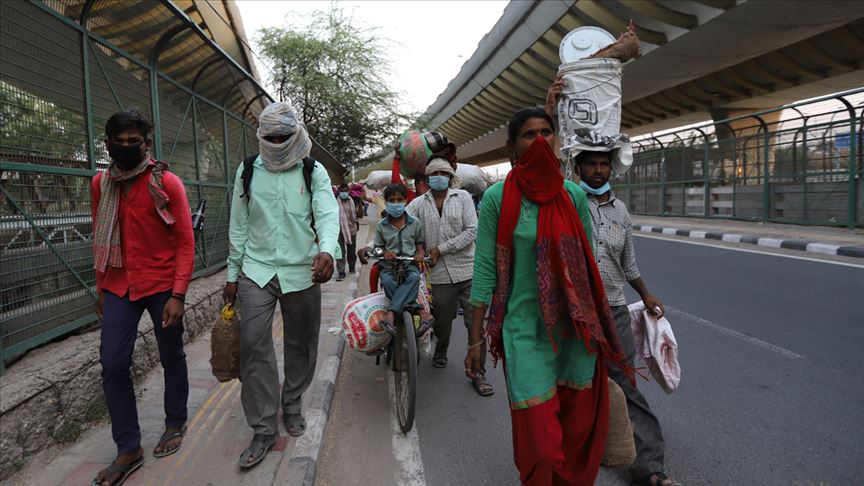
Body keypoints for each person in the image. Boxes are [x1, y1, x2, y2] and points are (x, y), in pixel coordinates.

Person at [465, 107, 632, 485]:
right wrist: (475, 339)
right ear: (513, 147)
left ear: (556, 141)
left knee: (575, 436)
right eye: (529, 135)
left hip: (574, 334)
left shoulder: (573, 196)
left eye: (546, 133)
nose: (539, 141)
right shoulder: (495, 199)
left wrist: (603, 330)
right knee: (540, 446)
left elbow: (587, 267)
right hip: (523, 334)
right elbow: (484, 273)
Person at [223, 101, 339, 469]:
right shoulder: (247, 171)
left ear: (295, 134)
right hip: (256, 271)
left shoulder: (313, 170)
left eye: (282, 137)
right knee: (253, 344)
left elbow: (326, 212)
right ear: (261, 136)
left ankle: (292, 402)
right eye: (269, 137)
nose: (276, 142)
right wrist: (231, 274)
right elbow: (238, 224)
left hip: (303, 269)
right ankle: (263, 426)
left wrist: (327, 250)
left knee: (302, 342)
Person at [89, 110, 194, 486]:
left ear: (147, 144)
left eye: (135, 142)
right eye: (120, 141)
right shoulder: (101, 184)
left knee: (171, 355)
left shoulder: (167, 183)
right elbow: (100, 237)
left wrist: (178, 294)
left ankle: (174, 423)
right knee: (113, 363)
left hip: (162, 283)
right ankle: (128, 447)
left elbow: (184, 242)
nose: (128, 147)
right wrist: (101, 288)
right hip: (118, 284)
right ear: (108, 143)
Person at [577, 150, 679, 486]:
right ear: (579, 167)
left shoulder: (621, 211)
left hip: (615, 307)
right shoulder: (570, 200)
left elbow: (628, 262)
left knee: (624, 382)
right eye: (591, 164)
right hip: (575, 309)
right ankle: (578, 455)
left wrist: (646, 294)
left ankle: (649, 468)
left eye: (604, 164)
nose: (598, 170)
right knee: (575, 380)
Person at [406, 157, 493, 397]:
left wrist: (440, 249)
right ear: (428, 179)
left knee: (474, 325)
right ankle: (441, 349)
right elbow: (400, 225)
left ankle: (479, 372)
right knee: (442, 322)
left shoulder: (463, 198)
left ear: (450, 177)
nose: (440, 177)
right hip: (440, 276)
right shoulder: (418, 205)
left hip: (468, 270)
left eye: (444, 174)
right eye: (436, 174)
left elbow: (472, 231)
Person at [358, 183, 426, 334]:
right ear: (386, 202)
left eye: (399, 200)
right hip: (389, 266)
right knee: (387, 281)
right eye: (392, 200)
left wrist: (420, 253)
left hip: (409, 263)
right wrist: (385, 252)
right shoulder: (382, 225)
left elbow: (419, 242)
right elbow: (378, 246)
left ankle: (391, 313)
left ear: (406, 201)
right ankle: (419, 310)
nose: (396, 203)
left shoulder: (415, 223)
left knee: (414, 277)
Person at [335, 182, 359, 281]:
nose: (344, 193)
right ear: (339, 191)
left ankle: (352, 267)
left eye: (345, 191)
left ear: (348, 191)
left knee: (352, 250)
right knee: (340, 251)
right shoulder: (335, 202)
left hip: (351, 229)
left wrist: (357, 224)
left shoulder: (351, 201)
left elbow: (355, 216)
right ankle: (341, 272)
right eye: (342, 191)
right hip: (339, 230)